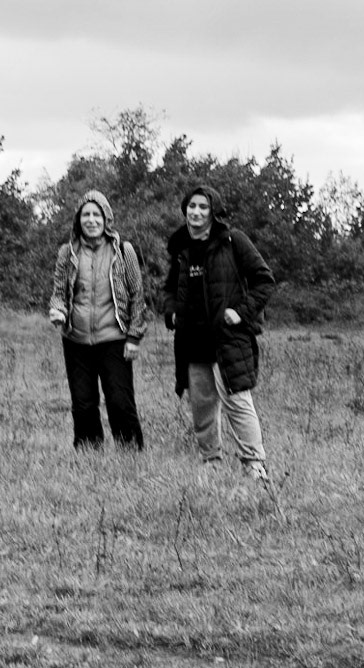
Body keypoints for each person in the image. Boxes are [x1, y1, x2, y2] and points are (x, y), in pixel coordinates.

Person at [162, 183, 278, 481]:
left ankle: (254, 464)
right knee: (201, 406)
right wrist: (171, 311)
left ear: (214, 212)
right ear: (185, 210)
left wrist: (240, 311)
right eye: (192, 206)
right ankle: (210, 462)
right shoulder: (181, 247)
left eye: (203, 207)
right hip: (192, 340)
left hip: (227, 338)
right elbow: (171, 288)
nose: (196, 212)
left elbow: (264, 281)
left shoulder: (233, 240)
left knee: (237, 402)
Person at [47, 190, 149, 449]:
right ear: (78, 219)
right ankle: (88, 453)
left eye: (97, 214)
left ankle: (130, 452)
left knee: (119, 400)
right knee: (82, 402)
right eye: (86, 215)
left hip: (114, 338)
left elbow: (137, 295)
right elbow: (59, 292)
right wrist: (58, 311)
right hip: (76, 340)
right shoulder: (66, 253)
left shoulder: (124, 252)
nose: (91, 220)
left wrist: (134, 336)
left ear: (107, 220)